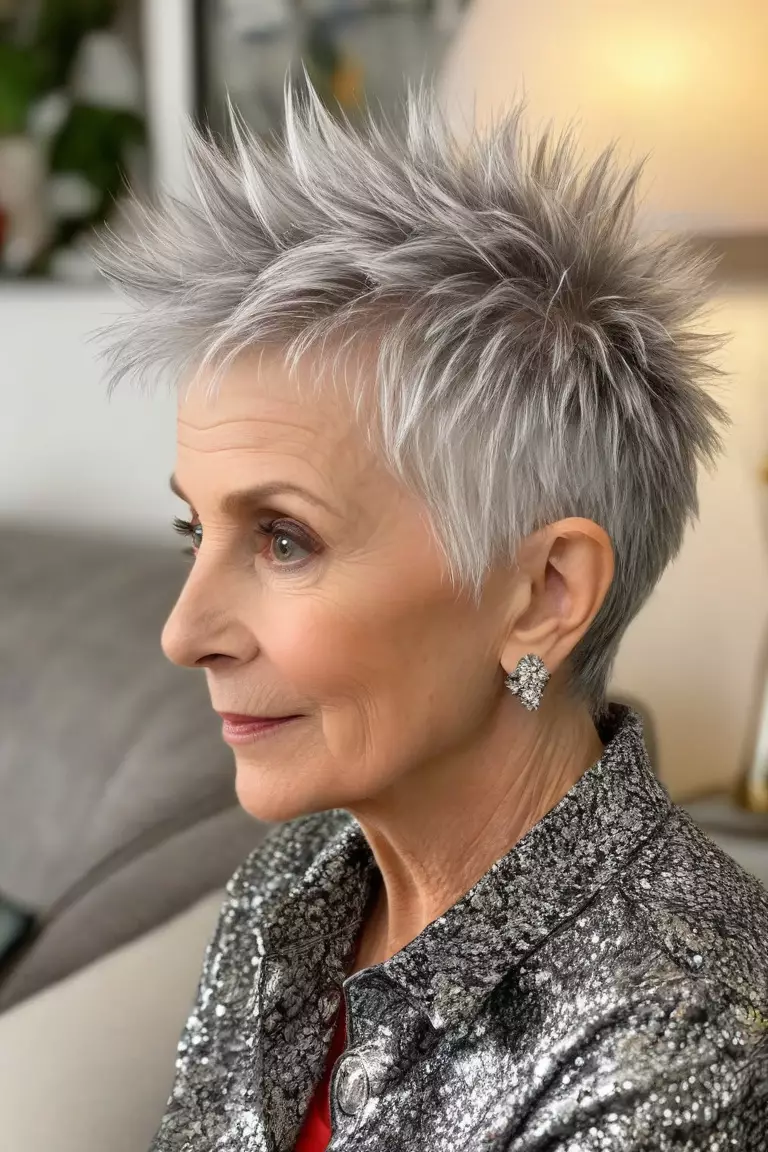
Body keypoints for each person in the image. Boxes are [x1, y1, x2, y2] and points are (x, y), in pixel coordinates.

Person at [94, 75, 768, 1150]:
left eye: (283, 539)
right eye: (196, 532)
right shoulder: (297, 887)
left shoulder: (692, 1034)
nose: (183, 633)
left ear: (545, 595)